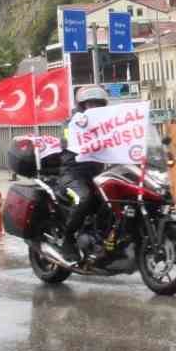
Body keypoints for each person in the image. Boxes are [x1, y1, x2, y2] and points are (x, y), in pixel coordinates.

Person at [60, 85, 114, 265]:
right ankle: (67, 240)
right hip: (73, 175)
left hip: (97, 175)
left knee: (117, 200)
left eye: (98, 104)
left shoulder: (107, 125)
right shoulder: (72, 124)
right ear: (82, 106)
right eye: (91, 104)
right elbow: (69, 139)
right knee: (83, 199)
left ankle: (105, 241)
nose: (95, 108)